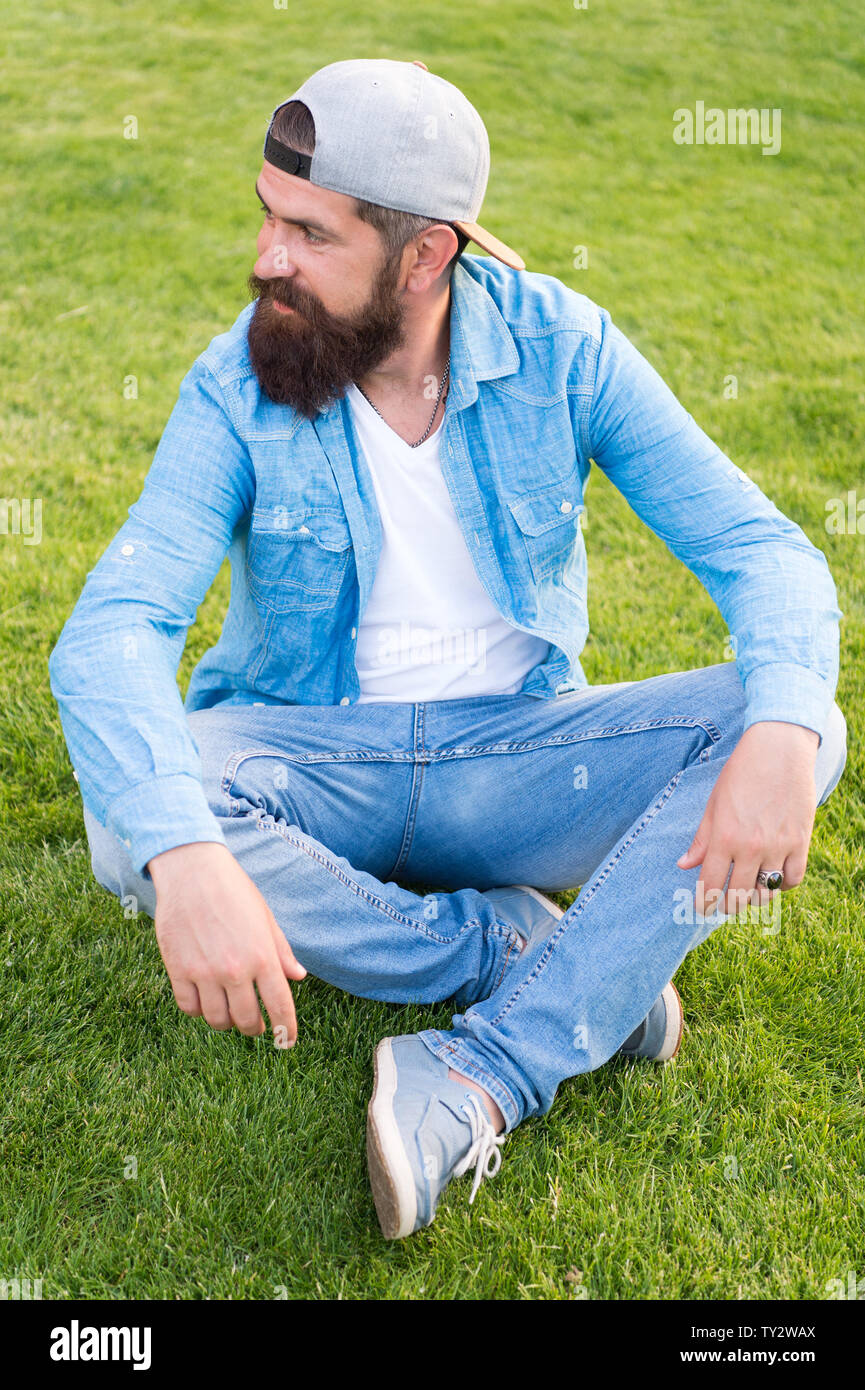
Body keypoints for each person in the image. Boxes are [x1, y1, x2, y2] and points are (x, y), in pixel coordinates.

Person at [48, 58, 847, 1240]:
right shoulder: (236, 382)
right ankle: (509, 948)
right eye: (267, 216)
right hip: (320, 765)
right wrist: (188, 850)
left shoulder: (564, 347)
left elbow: (757, 547)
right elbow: (117, 627)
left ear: (424, 255)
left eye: (310, 233)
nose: (268, 257)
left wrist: (782, 723)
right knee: (136, 825)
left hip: (523, 760)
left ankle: (481, 1074)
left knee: (793, 719)